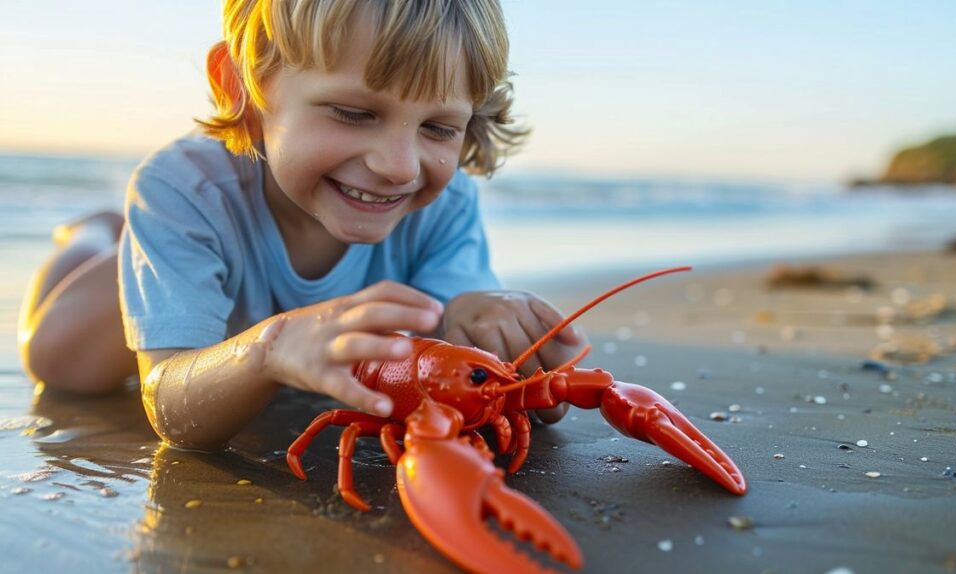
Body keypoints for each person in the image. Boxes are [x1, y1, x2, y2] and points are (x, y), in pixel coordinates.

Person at [17, 0, 584, 449]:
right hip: (146, 282)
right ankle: (96, 233)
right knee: (61, 363)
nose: (399, 166)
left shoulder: (445, 200)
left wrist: (494, 331)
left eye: (438, 128)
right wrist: (269, 349)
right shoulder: (182, 188)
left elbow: (454, 360)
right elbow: (170, 404)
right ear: (243, 87)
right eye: (354, 113)